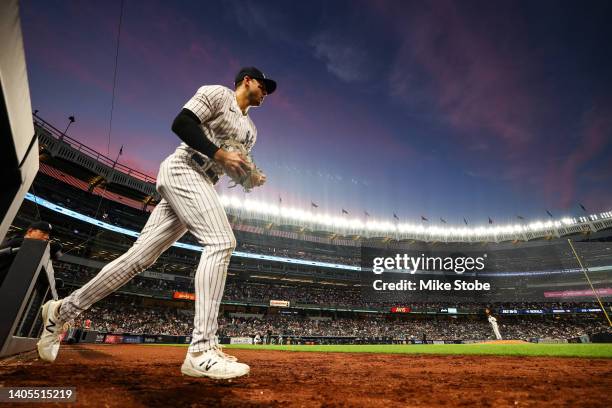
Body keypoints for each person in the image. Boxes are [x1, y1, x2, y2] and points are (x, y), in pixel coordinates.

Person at [37, 67, 276, 380]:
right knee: (222, 242)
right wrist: (219, 153)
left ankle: (61, 311)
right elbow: (182, 123)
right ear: (247, 81)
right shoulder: (219, 94)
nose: (267, 92)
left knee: (139, 259)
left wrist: (248, 177)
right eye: (263, 85)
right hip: (183, 170)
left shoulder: (251, 131)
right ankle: (201, 349)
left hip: (202, 180)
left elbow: (230, 165)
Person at [0, 221, 52, 285]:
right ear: (30, 231)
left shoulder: (25, 244)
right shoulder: (19, 243)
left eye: (48, 234)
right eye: (43, 233)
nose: (47, 237)